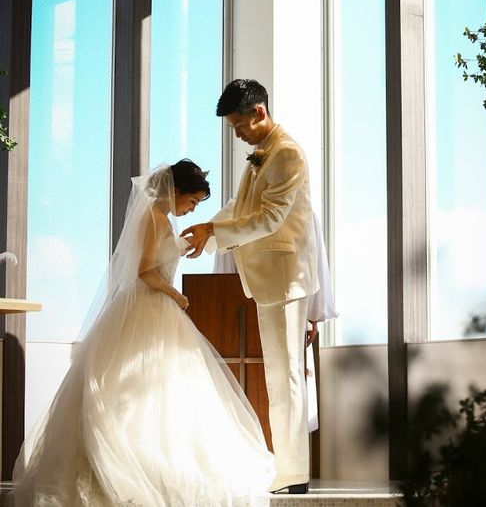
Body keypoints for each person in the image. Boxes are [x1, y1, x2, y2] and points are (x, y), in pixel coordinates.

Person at [10, 160, 275, 507]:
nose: (191, 209)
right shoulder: (155, 217)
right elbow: (145, 271)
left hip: (152, 308)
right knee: (146, 386)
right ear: (175, 191)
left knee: (159, 388)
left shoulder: (159, 217)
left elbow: (155, 260)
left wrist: (182, 247)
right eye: (192, 202)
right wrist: (175, 294)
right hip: (150, 306)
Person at [181, 80, 322, 495]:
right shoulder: (262, 155)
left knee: (287, 377)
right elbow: (240, 208)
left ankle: (294, 472)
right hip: (269, 280)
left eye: (240, 125)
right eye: (233, 128)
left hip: (286, 278)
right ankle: (288, 469)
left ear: (259, 112)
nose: (238, 134)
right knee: (278, 378)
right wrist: (208, 229)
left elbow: (270, 218)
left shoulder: (287, 154)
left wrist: (213, 232)